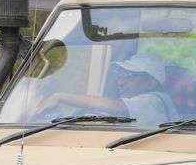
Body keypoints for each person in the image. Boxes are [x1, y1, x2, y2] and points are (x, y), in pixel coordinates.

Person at [35, 52, 176, 125]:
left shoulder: (155, 100)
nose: (121, 82)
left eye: (130, 76)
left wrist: (60, 96)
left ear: (151, 83)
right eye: (120, 75)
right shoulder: (134, 105)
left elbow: (117, 106)